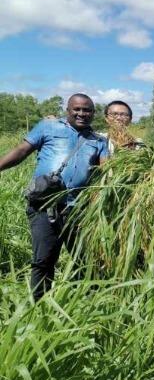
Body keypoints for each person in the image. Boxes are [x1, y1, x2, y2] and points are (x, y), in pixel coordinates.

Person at [0, 93, 108, 300]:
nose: (81, 113)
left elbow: (107, 170)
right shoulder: (47, 127)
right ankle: (39, 307)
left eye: (87, 110)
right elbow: (22, 151)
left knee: (84, 259)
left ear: (93, 113)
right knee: (44, 259)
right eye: (77, 109)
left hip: (78, 209)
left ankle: (85, 303)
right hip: (44, 205)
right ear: (67, 110)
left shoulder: (98, 141)